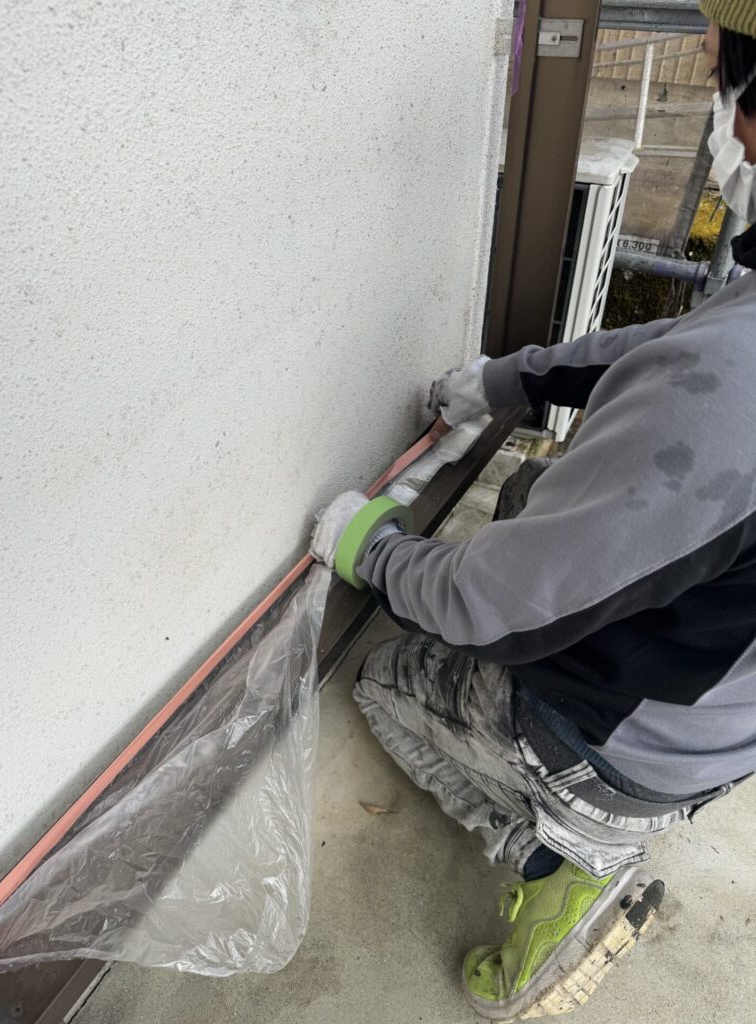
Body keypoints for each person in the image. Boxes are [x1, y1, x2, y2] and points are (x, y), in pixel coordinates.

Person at [312, 4, 756, 1019]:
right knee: (527, 494)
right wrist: (506, 380)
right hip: (724, 717)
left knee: (385, 682)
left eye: (718, 66)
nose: (707, 86)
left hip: (623, 752)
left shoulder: (730, 393)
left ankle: (559, 861)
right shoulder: (737, 338)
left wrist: (371, 551)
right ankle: (596, 827)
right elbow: (670, 355)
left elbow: (493, 608)